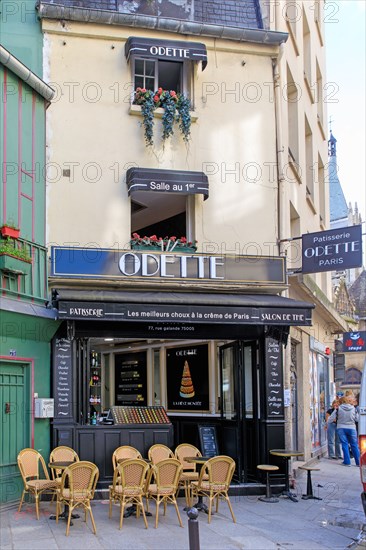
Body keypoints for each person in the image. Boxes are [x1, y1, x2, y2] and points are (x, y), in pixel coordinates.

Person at [328, 395, 360, 466]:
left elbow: (330, 419)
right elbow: (357, 419)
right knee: (354, 445)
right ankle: (358, 462)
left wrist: (329, 423)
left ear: (341, 402)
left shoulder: (338, 409)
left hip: (341, 428)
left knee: (344, 444)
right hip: (352, 428)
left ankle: (347, 462)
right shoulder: (353, 409)